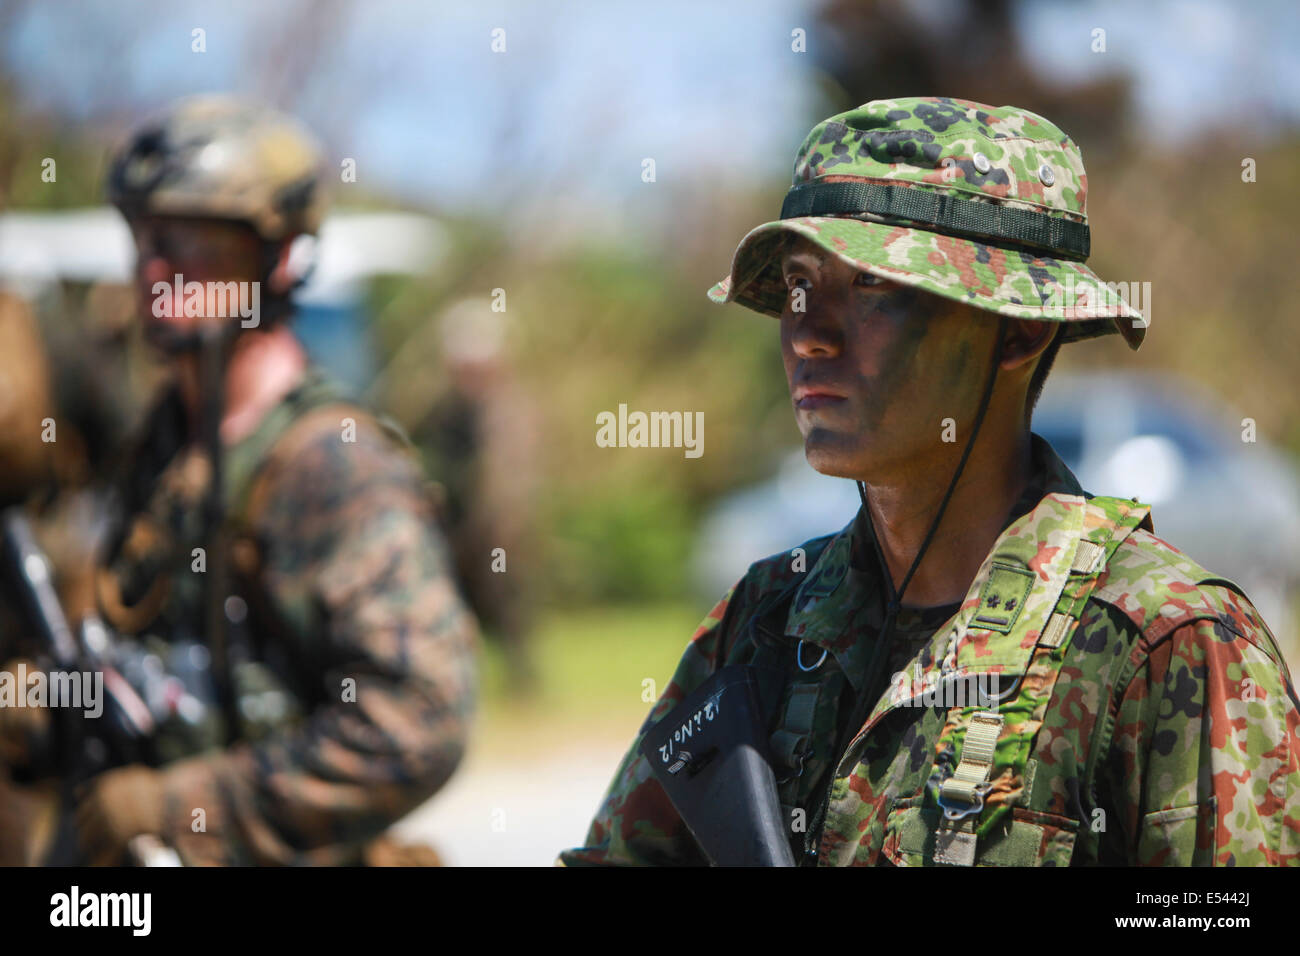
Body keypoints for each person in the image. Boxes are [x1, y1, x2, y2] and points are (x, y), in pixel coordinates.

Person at [560, 96, 1300, 867]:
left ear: (1019, 330)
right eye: (798, 282)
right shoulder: (763, 625)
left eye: (874, 287)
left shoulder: (1162, 643)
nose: (810, 332)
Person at [41, 94, 478, 866]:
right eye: (143, 238)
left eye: (191, 242)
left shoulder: (330, 464)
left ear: (277, 259)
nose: (155, 269)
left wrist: (179, 809)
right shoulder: (164, 445)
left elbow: (417, 721)